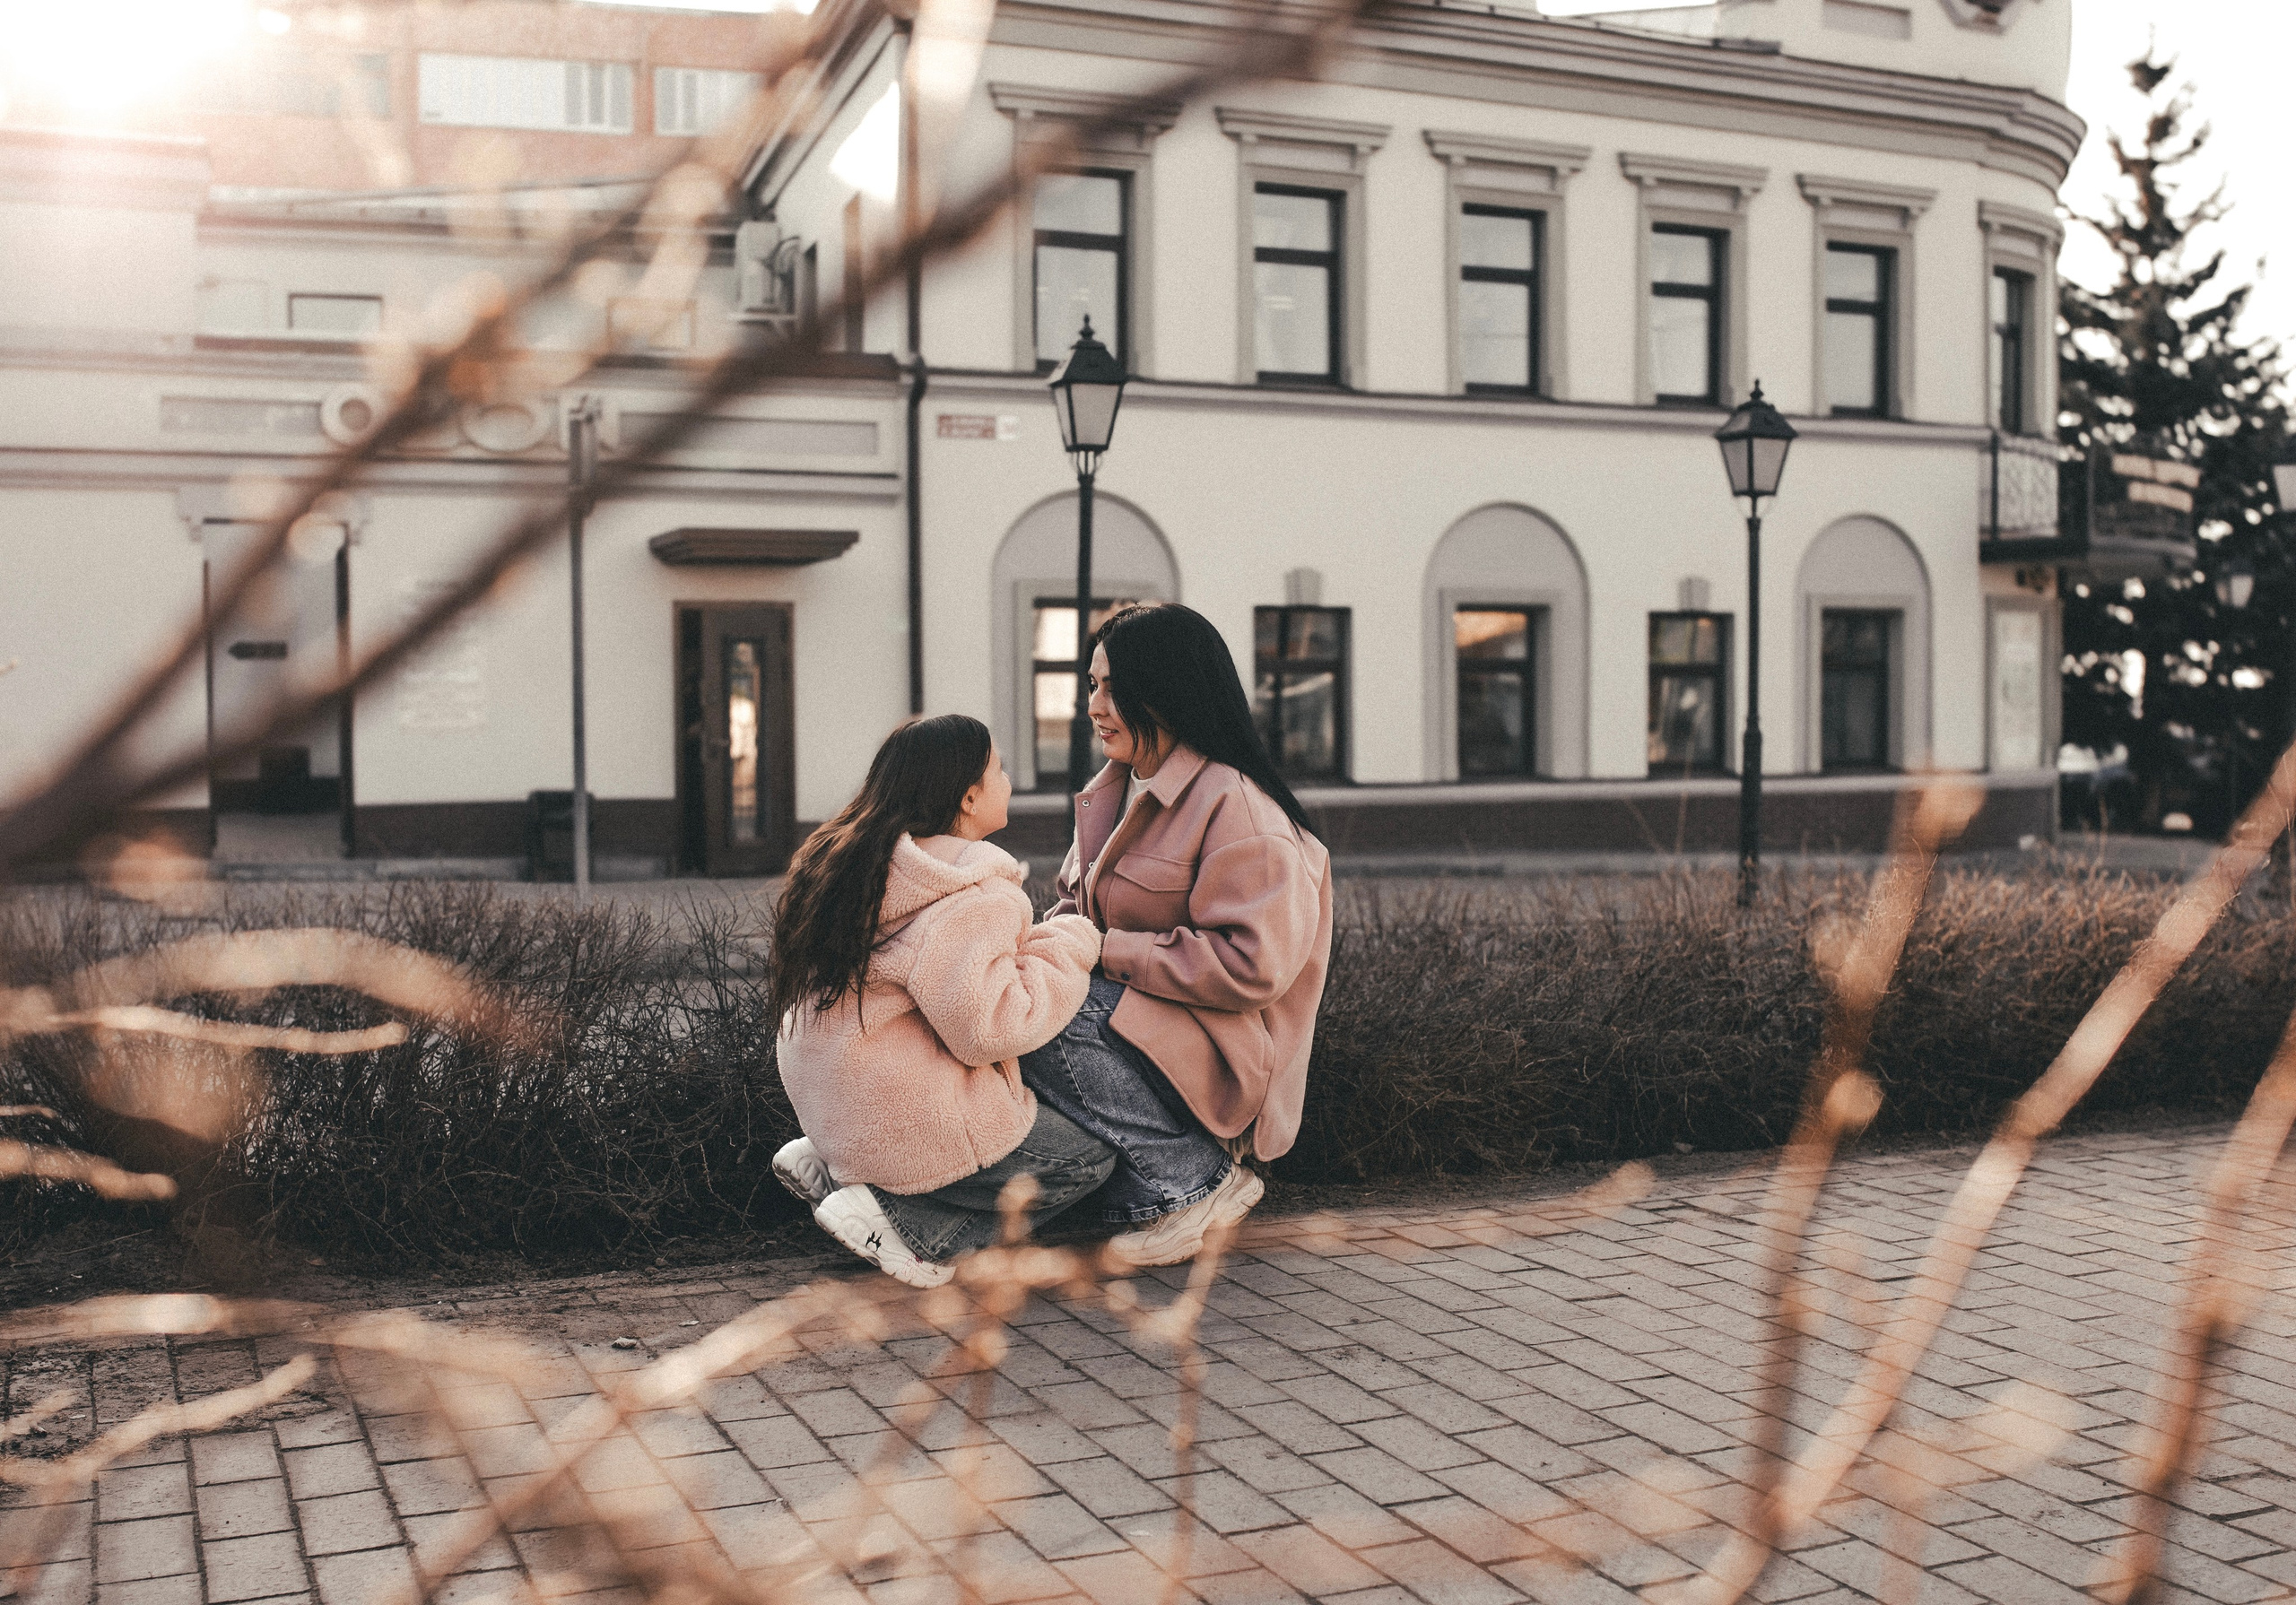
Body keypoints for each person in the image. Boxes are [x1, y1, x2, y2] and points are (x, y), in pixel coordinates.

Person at [1025, 603, 1335, 1266]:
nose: (1094, 706)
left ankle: (1194, 1182)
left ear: (1166, 692)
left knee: (1049, 1012)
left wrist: (1105, 953)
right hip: (1142, 1034)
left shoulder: (1238, 808)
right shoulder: (1114, 791)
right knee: (1003, 999)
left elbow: (1252, 965)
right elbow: (1076, 911)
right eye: (1092, 685)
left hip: (1225, 1057)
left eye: (1115, 689)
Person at [769, 715, 1114, 1288]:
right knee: (1087, 1159)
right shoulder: (967, 890)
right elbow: (994, 1026)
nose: (1009, 782)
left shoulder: (861, 863)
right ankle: (908, 1226)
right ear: (969, 797)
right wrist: (1071, 940)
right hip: (897, 1113)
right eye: (1000, 770)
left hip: (833, 1097)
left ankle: (843, 1171)